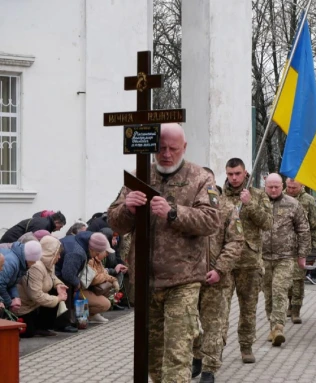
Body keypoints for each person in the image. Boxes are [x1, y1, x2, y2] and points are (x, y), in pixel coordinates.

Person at [107, 123, 220, 383]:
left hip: (183, 279)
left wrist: (173, 212)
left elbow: (212, 220)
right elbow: (114, 221)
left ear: (184, 148)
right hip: (145, 280)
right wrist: (128, 209)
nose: (167, 154)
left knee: (178, 352)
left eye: (173, 149)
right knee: (153, 355)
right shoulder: (139, 176)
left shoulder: (201, 178)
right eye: (161, 148)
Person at [192, 167, 244, 383]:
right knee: (190, 324)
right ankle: (196, 356)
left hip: (217, 278)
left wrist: (220, 269)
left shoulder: (227, 208)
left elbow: (236, 241)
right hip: (188, 278)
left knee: (214, 325)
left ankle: (209, 368)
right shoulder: (185, 208)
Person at [220, 157, 272, 363]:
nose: (234, 178)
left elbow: (268, 222)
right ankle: (216, 348)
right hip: (224, 262)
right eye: (230, 174)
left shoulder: (258, 195)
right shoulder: (218, 196)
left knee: (248, 309)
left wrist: (249, 204)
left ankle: (246, 346)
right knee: (219, 310)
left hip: (249, 262)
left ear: (245, 173)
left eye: (237, 174)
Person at [262, 173, 311, 347]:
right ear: (265, 186)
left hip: (285, 257)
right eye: (270, 187)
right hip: (263, 258)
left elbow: (304, 230)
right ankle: (271, 324)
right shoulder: (258, 203)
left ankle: (278, 327)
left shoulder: (293, 204)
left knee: (279, 290)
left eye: (277, 186)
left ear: (282, 185)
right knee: (268, 294)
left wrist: (302, 255)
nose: (274, 190)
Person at [284, 178, 316, 324]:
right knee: (285, 279)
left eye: (294, 188)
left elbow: (314, 224)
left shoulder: (308, 200)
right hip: (283, 246)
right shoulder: (280, 198)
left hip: (301, 246)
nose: (291, 190)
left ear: (302, 186)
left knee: (298, 280)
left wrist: (315, 246)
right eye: (288, 187)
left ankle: (296, 310)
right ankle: (289, 303)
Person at [17, 236, 68, 337]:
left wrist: (58, 284)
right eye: (57, 253)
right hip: (24, 305)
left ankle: (42, 327)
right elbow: (36, 295)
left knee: (57, 291)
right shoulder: (36, 266)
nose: (59, 257)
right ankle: (36, 326)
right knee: (28, 333)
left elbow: (52, 277)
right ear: (50, 253)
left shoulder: (49, 262)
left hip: (34, 304)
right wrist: (57, 299)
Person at [54, 231, 102, 333]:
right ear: (92, 247)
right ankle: (63, 324)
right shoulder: (77, 252)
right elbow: (68, 274)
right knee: (65, 295)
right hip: (58, 275)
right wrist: (77, 282)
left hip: (57, 271)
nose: (95, 256)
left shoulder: (79, 242)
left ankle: (68, 321)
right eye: (96, 253)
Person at [84, 233, 119, 323]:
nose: (107, 255)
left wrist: (113, 279)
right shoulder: (91, 260)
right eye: (106, 252)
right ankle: (88, 315)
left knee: (108, 289)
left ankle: (92, 315)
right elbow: (93, 279)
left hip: (90, 289)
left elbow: (102, 274)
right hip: (82, 290)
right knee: (106, 304)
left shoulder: (98, 261)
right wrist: (106, 277)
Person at [0, 241, 43, 316]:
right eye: (34, 261)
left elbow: (12, 283)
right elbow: (1, 284)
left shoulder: (21, 262)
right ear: (29, 259)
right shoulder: (11, 262)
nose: (35, 263)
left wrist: (15, 297)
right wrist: (9, 302)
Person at [0, 211, 67, 244]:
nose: (59, 229)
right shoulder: (43, 225)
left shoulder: (45, 222)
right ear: (57, 222)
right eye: (60, 227)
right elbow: (32, 242)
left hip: (11, 238)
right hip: (10, 241)